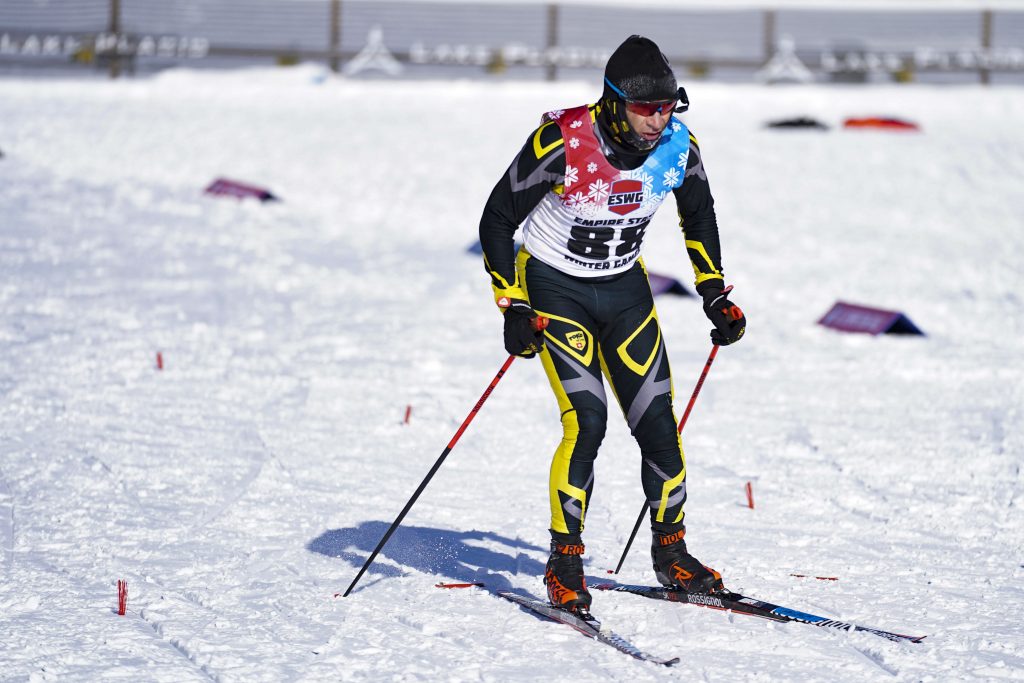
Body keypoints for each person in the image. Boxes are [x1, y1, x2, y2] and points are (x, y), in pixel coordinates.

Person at [478, 35, 746, 614]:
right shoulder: (565, 141)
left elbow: (698, 213)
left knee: (659, 427)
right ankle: (565, 562)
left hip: (624, 291)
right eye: (647, 108)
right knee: (589, 421)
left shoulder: (679, 145)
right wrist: (513, 303)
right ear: (613, 101)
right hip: (555, 288)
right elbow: (498, 217)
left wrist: (713, 294)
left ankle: (672, 554)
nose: (659, 119)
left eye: (669, 106)